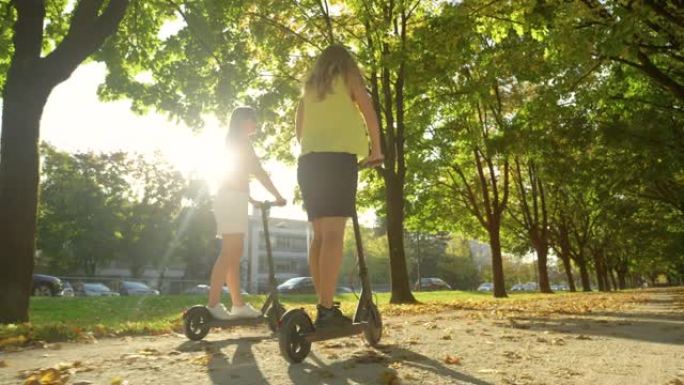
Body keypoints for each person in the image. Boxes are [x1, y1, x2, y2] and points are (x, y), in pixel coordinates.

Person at [295, 45, 384, 329]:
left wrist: (313, 147)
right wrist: (376, 151)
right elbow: (369, 112)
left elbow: (299, 127)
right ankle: (325, 310)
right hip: (337, 161)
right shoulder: (349, 76)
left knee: (319, 236)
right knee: (334, 234)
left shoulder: (310, 86)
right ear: (345, 62)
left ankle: (325, 304)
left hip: (309, 163)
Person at [208, 106, 286, 320]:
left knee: (233, 253)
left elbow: (234, 177)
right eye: (254, 119)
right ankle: (213, 304)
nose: (256, 124)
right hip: (232, 199)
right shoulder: (242, 142)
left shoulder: (233, 141)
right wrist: (278, 196)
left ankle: (238, 305)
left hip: (232, 198)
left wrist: (249, 198)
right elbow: (258, 171)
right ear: (244, 121)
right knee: (229, 253)